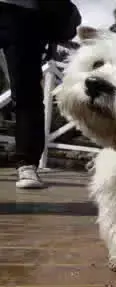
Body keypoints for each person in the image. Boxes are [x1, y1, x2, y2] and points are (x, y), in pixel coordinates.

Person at [0, 0, 80, 189]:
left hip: (23, 12)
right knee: (27, 94)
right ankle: (27, 164)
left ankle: (27, 164)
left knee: (26, 92)